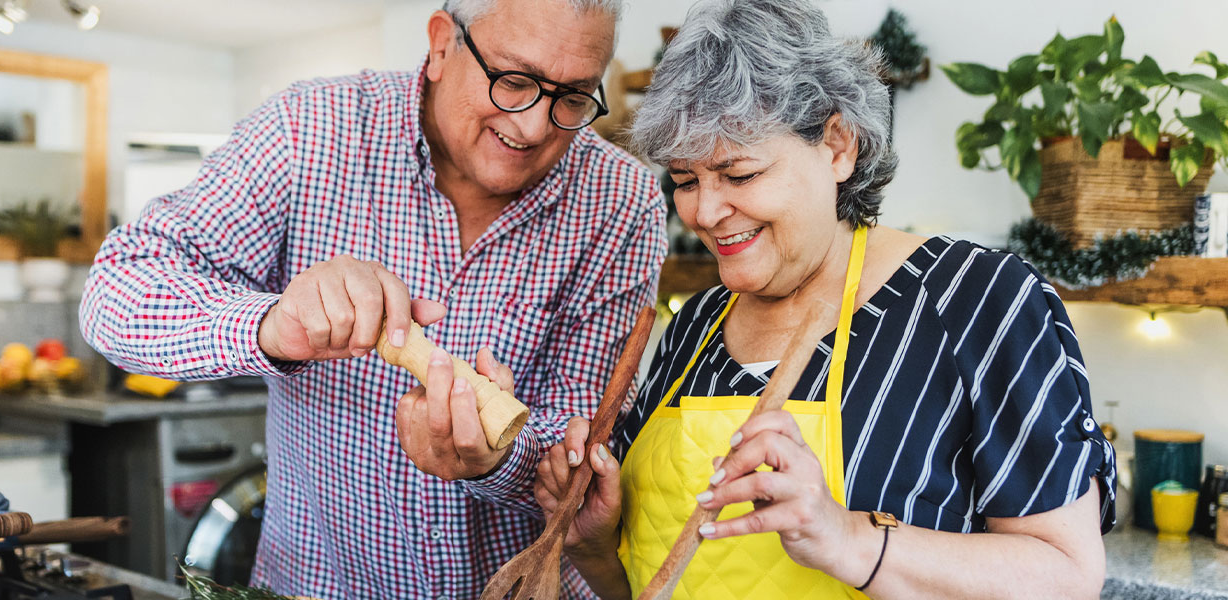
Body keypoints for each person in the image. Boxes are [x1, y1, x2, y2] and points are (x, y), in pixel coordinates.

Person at [78, 0, 667, 596]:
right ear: (441, 45)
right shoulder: (309, 129)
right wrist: (274, 325)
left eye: (572, 97)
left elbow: (584, 443)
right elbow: (119, 289)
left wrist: (498, 462)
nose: (535, 126)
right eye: (513, 81)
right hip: (317, 582)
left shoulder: (620, 200)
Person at [534, 0, 1116, 598]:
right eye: (685, 181)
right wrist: (594, 545)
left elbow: (1068, 576)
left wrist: (847, 539)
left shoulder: (976, 300)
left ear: (838, 146)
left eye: (738, 175)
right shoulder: (696, 330)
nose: (704, 212)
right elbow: (644, 587)